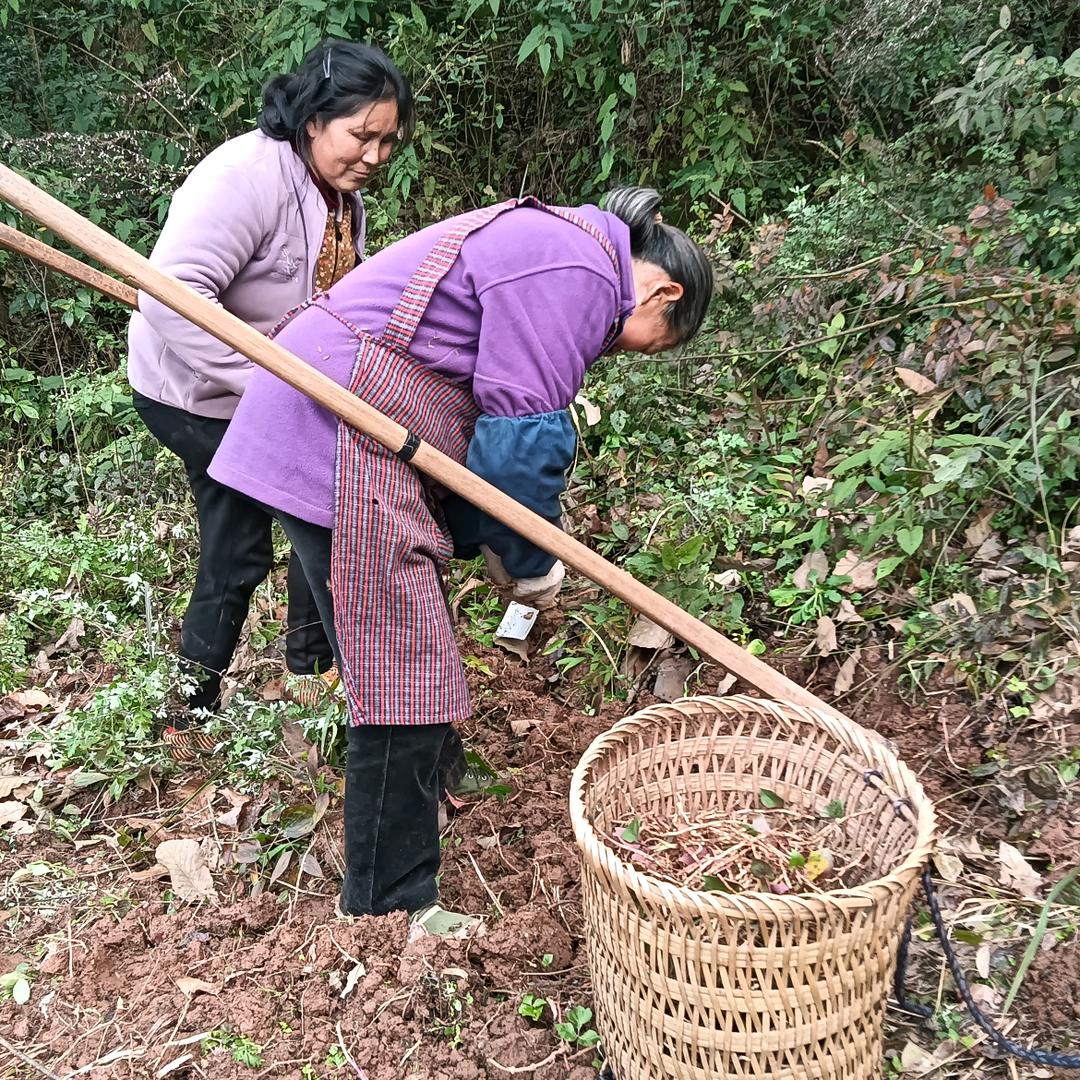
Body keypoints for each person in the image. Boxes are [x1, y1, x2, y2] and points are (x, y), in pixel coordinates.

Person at [207, 186, 714, 934]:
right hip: (336, 429)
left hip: (333, 416)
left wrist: (493, 544)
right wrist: (530, 560)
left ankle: (440, 775)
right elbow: (523, 443)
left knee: (413, 632)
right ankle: (390, 904)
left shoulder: (558, 241)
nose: (626, 352)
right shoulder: (580, 269)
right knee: (405, 669)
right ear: (662, 293)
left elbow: (490, 437)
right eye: (657, 341)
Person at [127, 40, 415, 718]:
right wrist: (269, 383)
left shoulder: (332, 188)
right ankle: (315, 678)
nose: (374, 157)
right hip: (195, 394)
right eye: (362, 136)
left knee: (238, 540)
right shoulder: (246, 177)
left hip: (268, 387)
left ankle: (214, 695)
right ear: (314, 118)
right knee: (319, 511)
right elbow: (168, 296)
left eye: (388, 142)